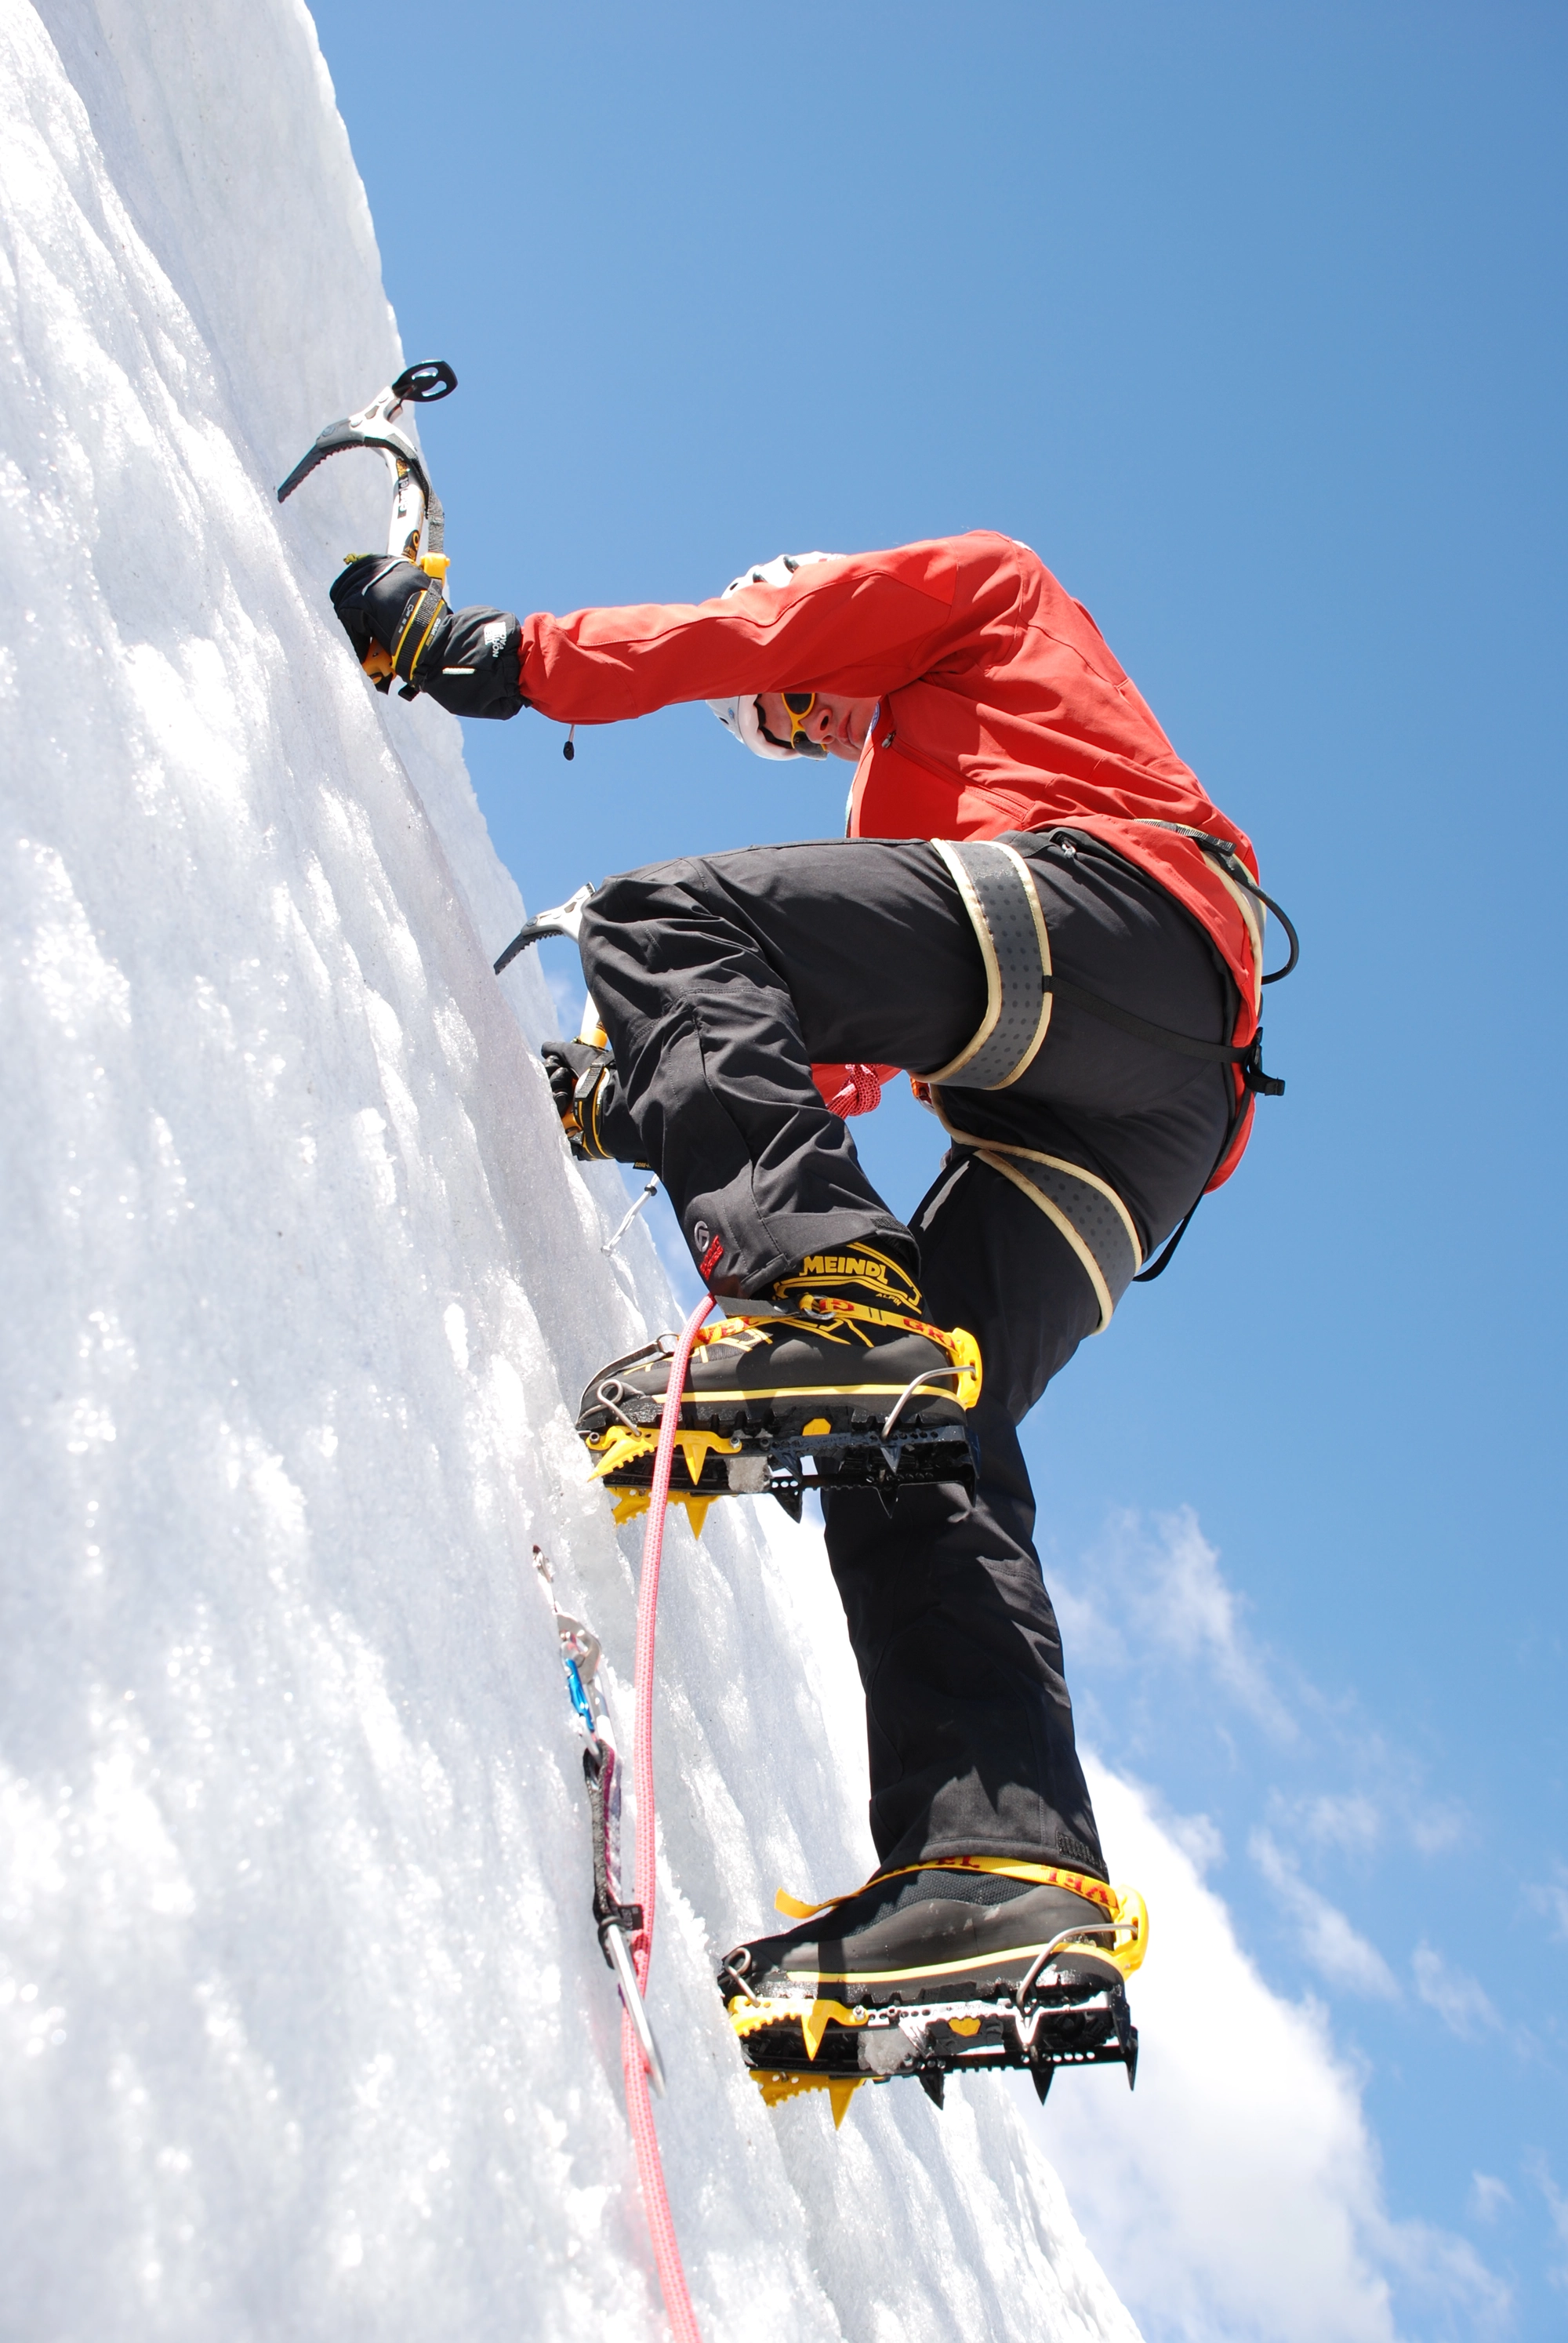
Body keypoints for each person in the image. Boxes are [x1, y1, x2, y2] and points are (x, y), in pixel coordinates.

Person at [330, 532, 1288, 2018]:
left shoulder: (985, 597)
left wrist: (493, 655)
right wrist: (615, 1094)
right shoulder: (903, 812)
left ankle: (820, 1304)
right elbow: (799, 1067)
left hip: (1127, 924)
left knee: (660, 919)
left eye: (800, 703)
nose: (809, 724)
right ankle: (999, 1868)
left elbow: (747, 644)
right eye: (788, 735)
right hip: (1142, 1122)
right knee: (919, 1440)